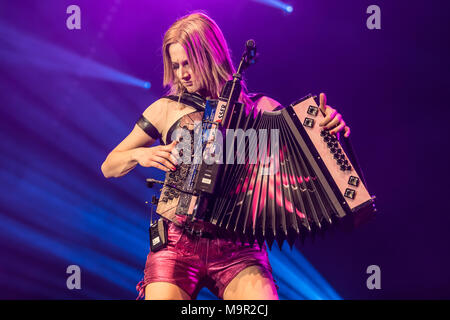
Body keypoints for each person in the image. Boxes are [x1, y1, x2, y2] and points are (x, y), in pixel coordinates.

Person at [101, 12, 350, 300]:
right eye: (176, 65)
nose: (182, 74)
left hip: (239, 246)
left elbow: (308, 155)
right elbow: (109, 165)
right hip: (177, 243)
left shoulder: (262, 109)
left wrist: (327, 126)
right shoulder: (165, 109)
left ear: (211, 56)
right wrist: (141, 154)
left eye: (188, 64)